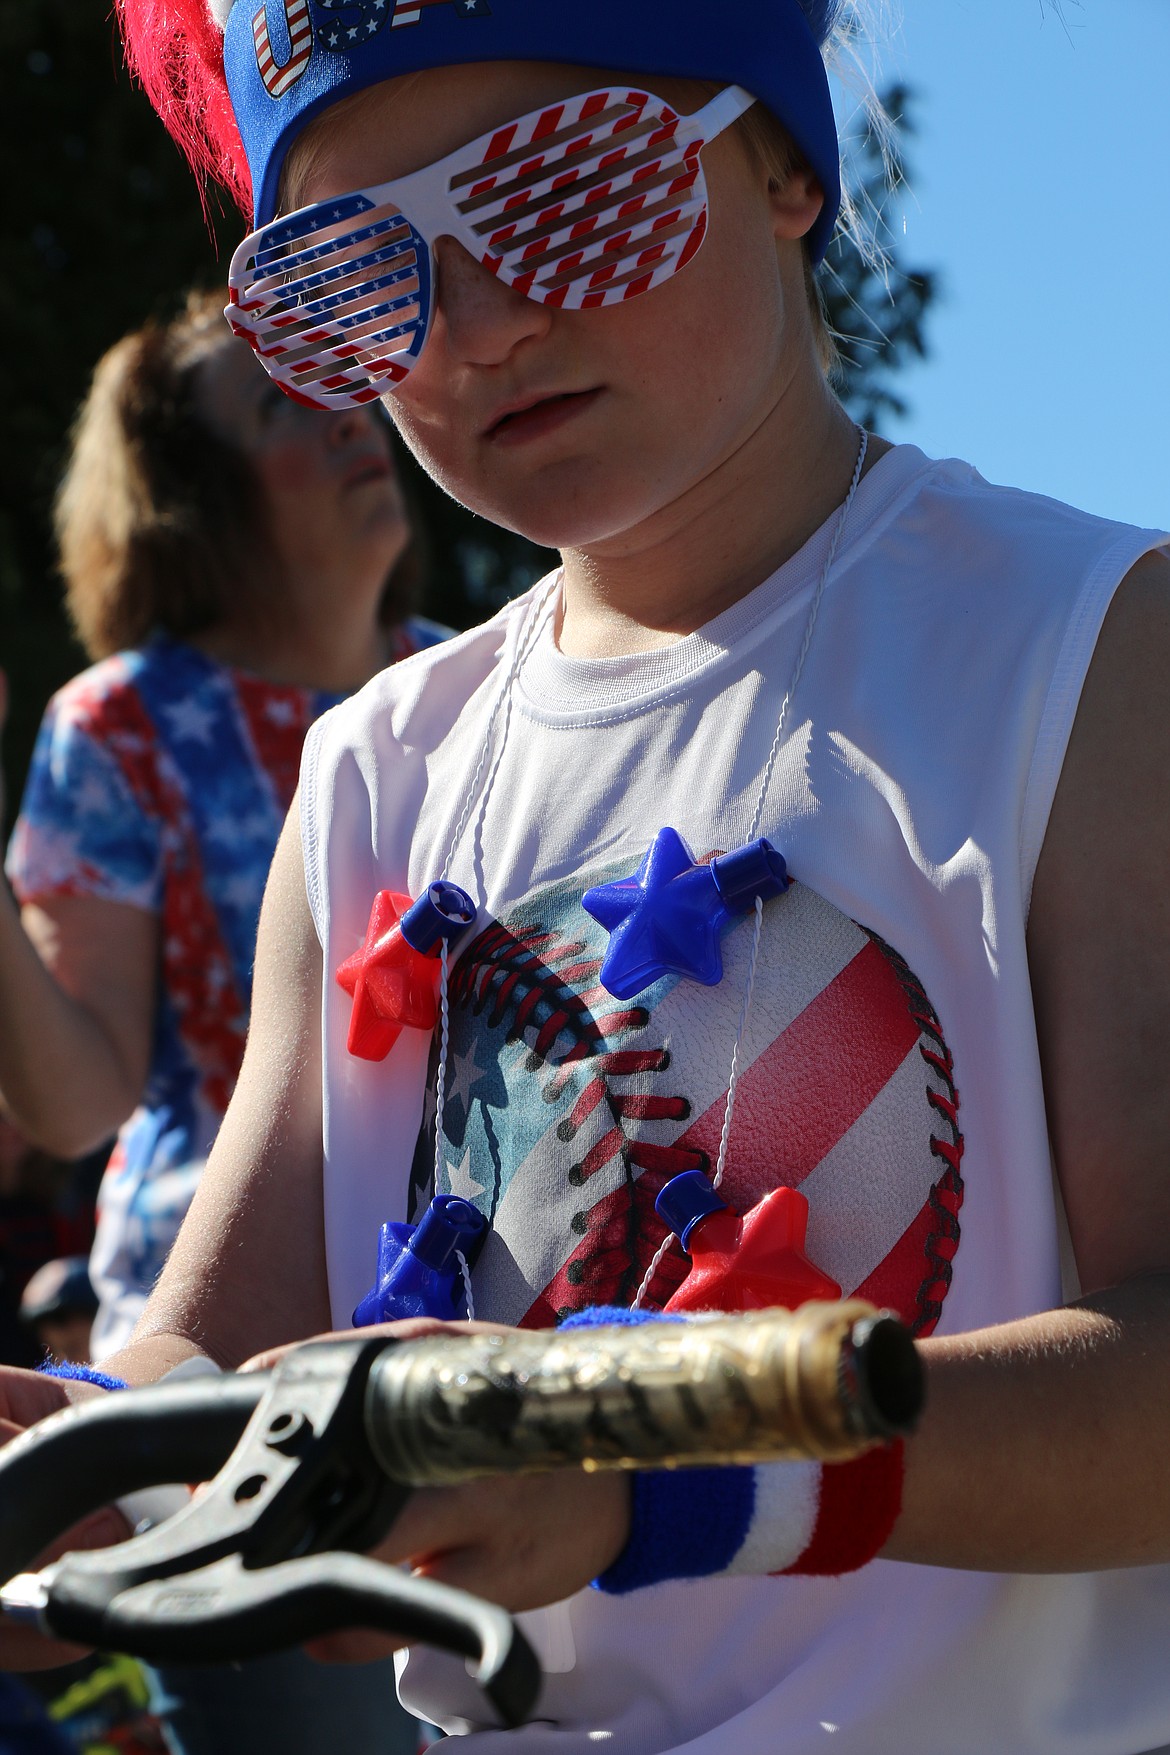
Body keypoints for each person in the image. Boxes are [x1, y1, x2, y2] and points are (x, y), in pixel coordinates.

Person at [6, 2, 1170, 1752]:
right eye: (354, 275)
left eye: (564, 190)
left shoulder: (1087, 653)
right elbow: (220, 1355)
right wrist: (78, 1458)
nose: (475, 330)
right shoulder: (378, 770)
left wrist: (652, 1473)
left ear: (786, 164)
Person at [0, 294, 433, 1751]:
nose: (345, 411)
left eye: (338, 381)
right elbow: (71, 1106)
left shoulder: (495, 682)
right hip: (213, 1388)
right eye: (278, 406)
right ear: (194, 499)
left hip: (487, 1340)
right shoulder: (119, 724)